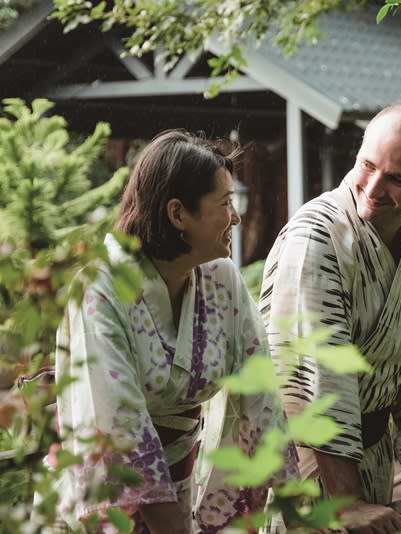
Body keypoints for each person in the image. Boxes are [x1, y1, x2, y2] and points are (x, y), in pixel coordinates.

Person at [260, 103, 401, 532]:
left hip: (373, 450)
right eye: (366, 165)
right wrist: (346, 503)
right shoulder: (316, 235)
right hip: (307, 462)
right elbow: (318, 375)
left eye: (397, 179)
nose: (372, 186)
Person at [54, 130, 297, 533]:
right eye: (225, 204)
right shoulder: (102, 288)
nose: (236, 217)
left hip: (181, 493)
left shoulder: (222, 278)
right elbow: (121, 431)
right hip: (111, 505)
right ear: (177, 214)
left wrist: (301, 515)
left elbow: (262, 399)